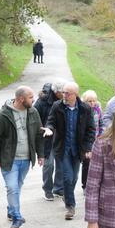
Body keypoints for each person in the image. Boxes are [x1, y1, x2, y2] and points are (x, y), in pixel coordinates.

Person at [0, 86, 45, 228]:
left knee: (17, 187)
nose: (34, 99)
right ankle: (17, 218)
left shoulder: (33, 112)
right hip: (9, 159)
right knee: (12, 188)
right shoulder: (3, 115)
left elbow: (39, 135)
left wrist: (41, 155)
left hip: (26, 159)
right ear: (21, 99)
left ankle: (11, 209)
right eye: (31, 97)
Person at [44, 81, 96, 220]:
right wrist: (49, 128)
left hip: (78, 150)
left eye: (67, 93)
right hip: (63, 148)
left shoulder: (85, 108)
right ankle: (70, 206)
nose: (64, 95)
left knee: (73, 178)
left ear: (75, 94)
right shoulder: (57, 106)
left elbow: (91, 130)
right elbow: (51, 121)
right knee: (67, 177)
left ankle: (67, 196)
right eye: (63, 92)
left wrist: (88, 148)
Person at [35, 82, 64, 201]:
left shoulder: (65, 101)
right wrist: (41, 131)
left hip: (60, 137)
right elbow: (34, 117)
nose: (65, 95)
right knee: (49, 165)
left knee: (61, 165)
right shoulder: (42, 101)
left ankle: (58, 188)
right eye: (63, 92)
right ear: (57, 92)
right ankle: (47, 189)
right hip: (46, 137)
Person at [80, 89, 104, 190]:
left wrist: (102, 135)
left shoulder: (98, 109)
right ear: (85, 101)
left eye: (94, 100)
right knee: (87, 162)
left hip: (97, 140)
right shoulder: (82, 110)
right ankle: (85, 185)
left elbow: (101, 123)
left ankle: (96, 185)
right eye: (90, 101)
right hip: (86, 141)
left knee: (98, 163)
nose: (92, 103)